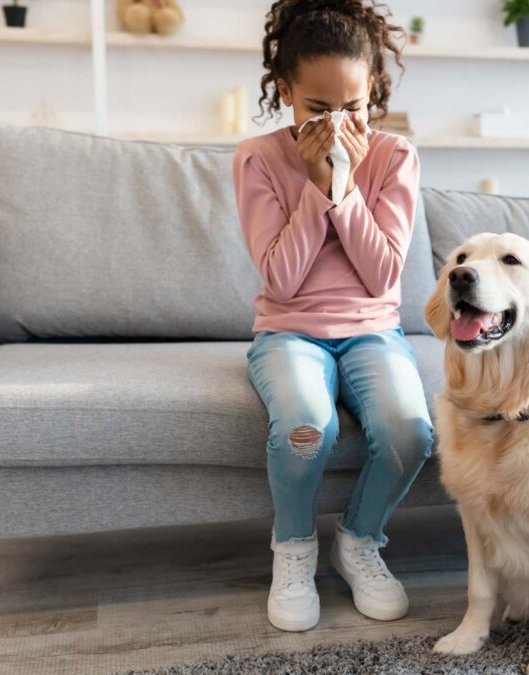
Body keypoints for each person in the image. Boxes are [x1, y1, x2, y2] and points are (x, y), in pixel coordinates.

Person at [231, 0, 432, 633]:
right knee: (305, 426)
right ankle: (292, 551)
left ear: (371, 89)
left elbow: (383, 275)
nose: (339, 124)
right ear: (285, 92)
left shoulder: (395, 156)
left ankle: (359, 540)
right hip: (289, 332)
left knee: (411, 433)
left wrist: (343, 191)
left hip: (373, 329)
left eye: (352, 107)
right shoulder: (259, 158)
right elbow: (282, 280)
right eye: (318, 109)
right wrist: (317, 186)